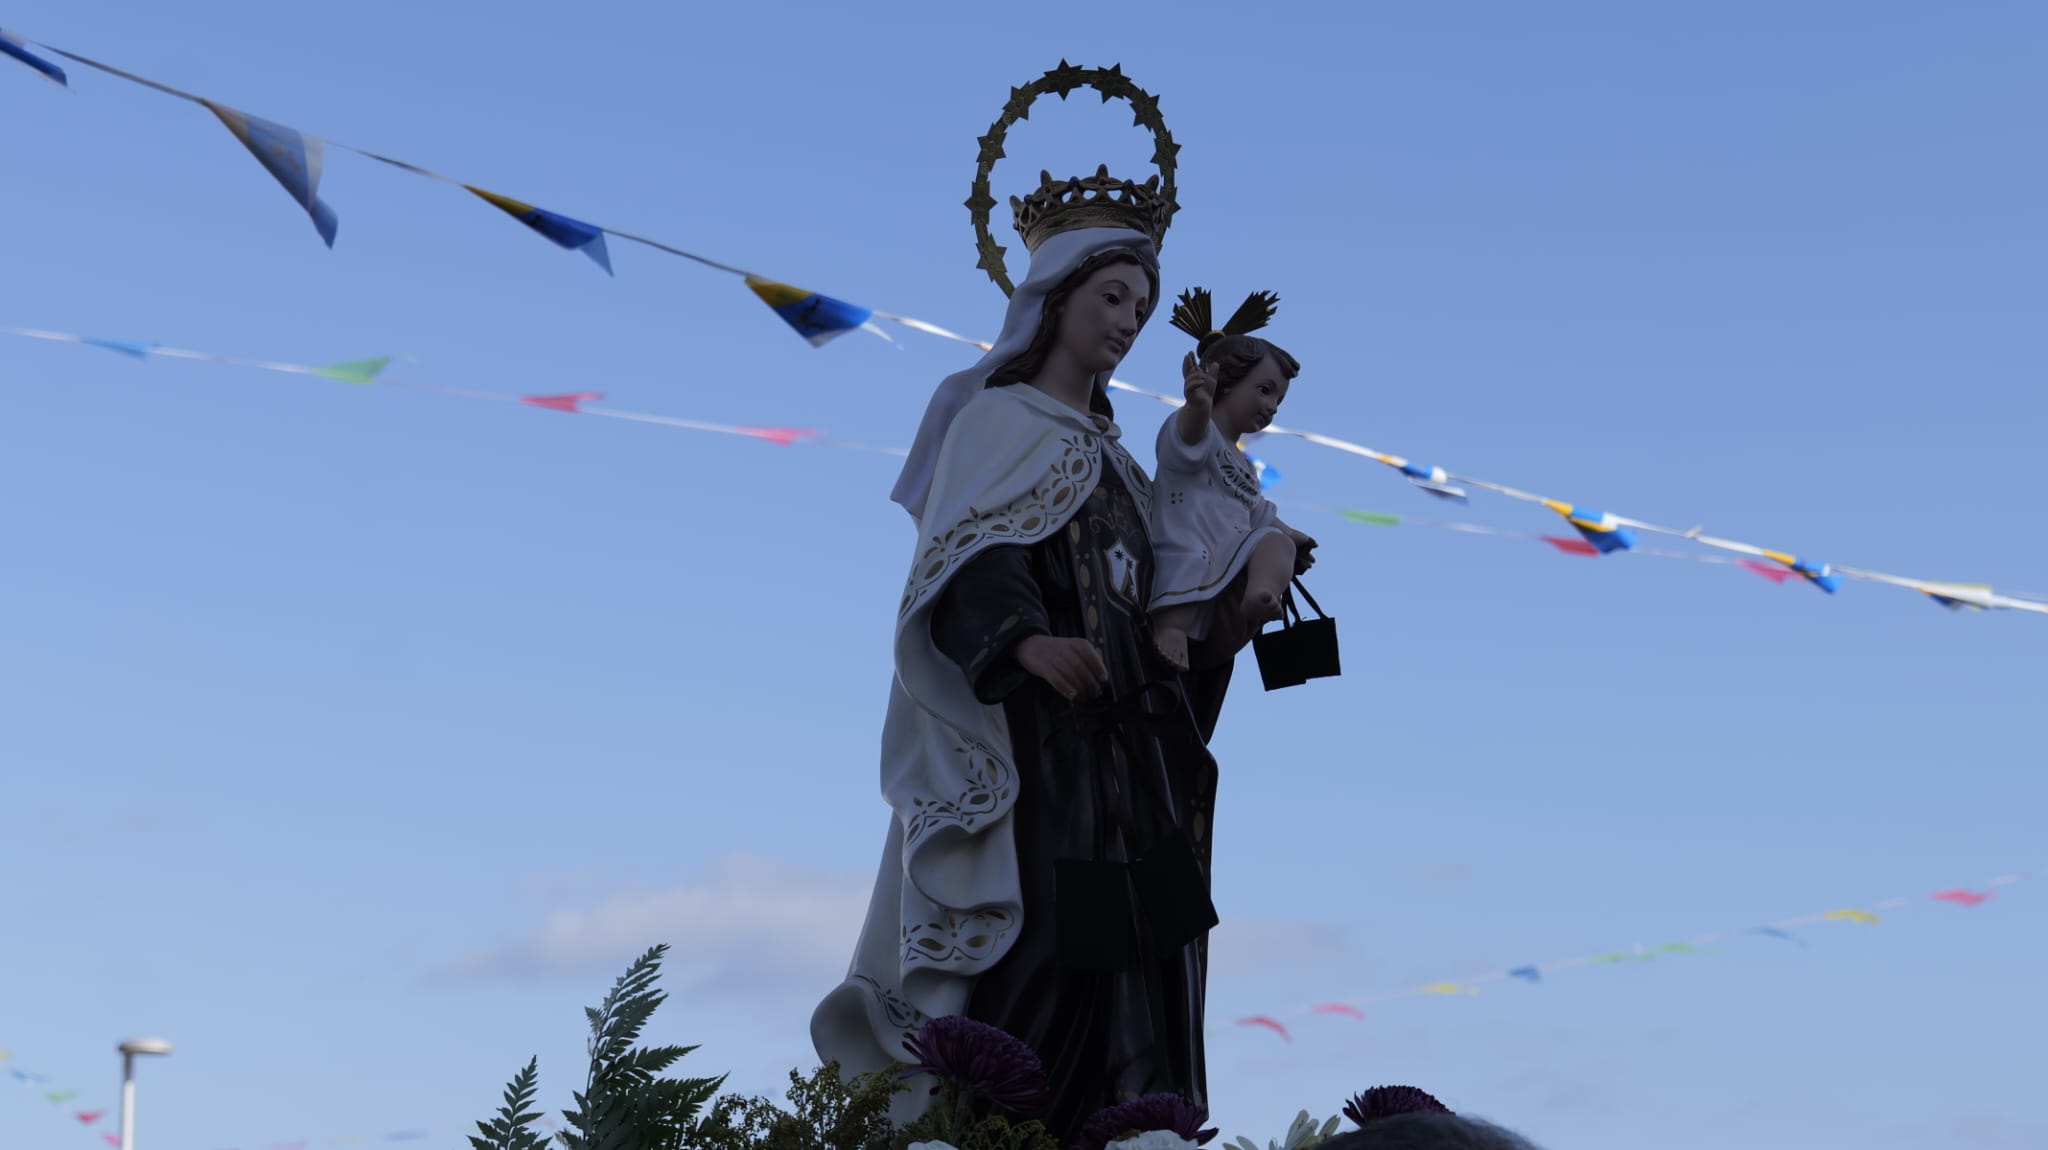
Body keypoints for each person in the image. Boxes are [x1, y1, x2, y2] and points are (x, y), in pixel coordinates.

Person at [811, 165, 1221, 1142]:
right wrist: (1024, 642)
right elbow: (966, 562)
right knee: (1045, 949)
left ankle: (1137, 1120)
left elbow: (1155, 608)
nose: (1127, 321)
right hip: (1041, 748)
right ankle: (1010, 1125)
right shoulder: (996, 422)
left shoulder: (1123, 466)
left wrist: (1221, 622)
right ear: (1053, 297)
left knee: (1148, 964)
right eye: (1110, 296)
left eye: (1141, 306)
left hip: (1131, 756)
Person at [1146, 288, 1318, 672]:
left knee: (1276, 542)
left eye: (1279, 400)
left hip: (1231, 559)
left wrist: (1293, 537)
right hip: (1189, 538)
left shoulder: (1245, 467)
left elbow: (1260, 514)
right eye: (1264, 390)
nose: (1271, 406)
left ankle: (1260, 594)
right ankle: (1170, 627)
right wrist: (1196, 406)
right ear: (1224, 382)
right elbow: (1183, 442)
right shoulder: (1198, 429)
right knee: (1190, 558)